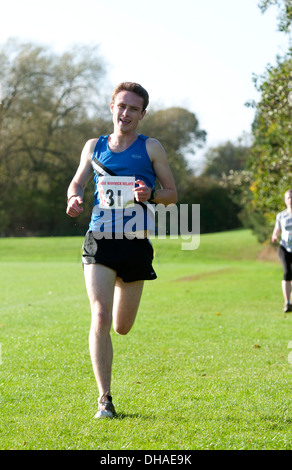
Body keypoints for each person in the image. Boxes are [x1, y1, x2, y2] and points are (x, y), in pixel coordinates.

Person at [66, 82, 177, 418]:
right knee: (99, 315)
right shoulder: (93, 146)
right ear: (111, 106)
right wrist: (74, 197)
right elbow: (77, 182)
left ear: (142, 114)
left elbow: (172, 193)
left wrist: (151, 195)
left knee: (122, 326)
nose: (125, 113)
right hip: (99, 239)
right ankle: (105, 400)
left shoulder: (151, 147)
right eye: (121, 106)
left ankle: (118, 304)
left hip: (135, 242)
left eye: (133, 108)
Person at [272, 189, 292, 313]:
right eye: (288, 197)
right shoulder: (281, 215)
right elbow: (277, 229)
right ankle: (287, 302)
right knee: (287, 272)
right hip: (284, 247)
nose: (291, 200)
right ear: (285, 200)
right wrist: (274, 236)